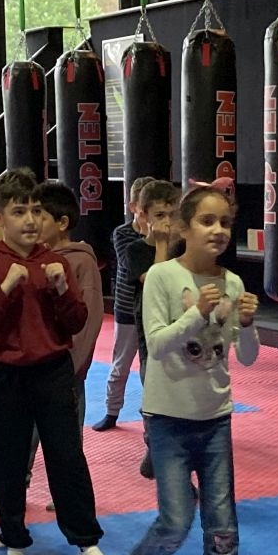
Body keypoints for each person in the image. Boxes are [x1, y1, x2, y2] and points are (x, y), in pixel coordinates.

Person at [0, 168, 115, 555]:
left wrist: (62, 290)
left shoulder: (56, 262)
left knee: (67, 456)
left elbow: (76, 321)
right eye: (18, 211)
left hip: (52, 371)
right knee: (9, 459)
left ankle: (87, 542)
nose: (29, 220)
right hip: (4, 373)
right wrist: (5, 289)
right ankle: (14, 542)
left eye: (35, 211)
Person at [122, 184, 261, 555]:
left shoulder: (233, 282)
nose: (218, 230)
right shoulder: (163, 277)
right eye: (207, 221)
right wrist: (196, 314)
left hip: (216, 418)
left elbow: (246, 357)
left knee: (223, 525)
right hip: (168, 419)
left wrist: (248, 325)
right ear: (184, 228)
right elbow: (158, 344)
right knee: (177, 520)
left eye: (224, 222)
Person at [91, 177, 180, 435]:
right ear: (137, 210)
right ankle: (112, 410)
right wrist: (159, 241)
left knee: (157, 371)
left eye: (169, 214)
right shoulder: (125, 236)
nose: (165, 220)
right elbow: (152, 280)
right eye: (158, 214)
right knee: (120, 366)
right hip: (129, 309)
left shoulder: (174, 240)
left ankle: (155, 427)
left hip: (162, 316)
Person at [36, 179, 106, 420]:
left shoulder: (82, 262)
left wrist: (70, 368)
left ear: (62, 223)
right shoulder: (34, 257)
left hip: (66, 373)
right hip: (33, 369)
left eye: (40, 215)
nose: (32, 222)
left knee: (65, 439)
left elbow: (89, 322)